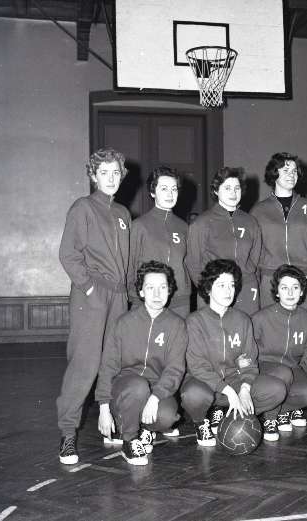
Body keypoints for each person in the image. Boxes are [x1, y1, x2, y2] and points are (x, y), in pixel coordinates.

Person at [57, 148, 130, 464]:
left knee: (112, 362)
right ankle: (67, 435)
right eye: (104, 173)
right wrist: (89, 288)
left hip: (119, 296)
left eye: (116, 172)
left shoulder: (123, 213)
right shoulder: (83, 208)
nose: (111, 178)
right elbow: (68, 254)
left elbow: (126, 262)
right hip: (91, 294)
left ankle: (108, 423)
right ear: (93, 176)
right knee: (85, 364)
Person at [181, 259, 287, 446]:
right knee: (193, 395)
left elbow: (249, 360)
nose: (228, 291)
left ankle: (230, 415)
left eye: (231, 285)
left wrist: (245, 388)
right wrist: (229, 392)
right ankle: (201, 421)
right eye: (221, 285)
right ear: (208, 289)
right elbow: (197, 367)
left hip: (234, 381)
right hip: (204, 383)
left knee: (277, 389)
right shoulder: (194, 321)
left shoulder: (242, 320)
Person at [95, 261, 188, 465]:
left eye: (162, 287)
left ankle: (144, 428)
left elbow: (175, 369)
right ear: (141, 291)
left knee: (167, 417)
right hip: (124, 389)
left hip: (155, 389)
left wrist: (155, 398)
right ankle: (129, 440)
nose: (157, 294)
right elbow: (107, 366)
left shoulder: (176, 325)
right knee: (137, 386)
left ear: (170, 290)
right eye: (150, 287)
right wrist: (103, 408)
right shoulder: (124, 323)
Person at [251, 152, 307, 315]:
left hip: (305, 279)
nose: (291, 175)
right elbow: (254, 254)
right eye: (286, 170)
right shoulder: (259, 211)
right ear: (274, 173)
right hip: (271, 280)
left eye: (294, 171)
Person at [252, 265, 307, 440]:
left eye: (295, 287)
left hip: (292, 367)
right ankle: (270, 419)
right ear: (277, 292)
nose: (290, 292)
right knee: (282, 372)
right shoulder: (260, 317)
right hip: (264, 367)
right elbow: (248, 350)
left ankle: (281, 411)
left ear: (302, 292)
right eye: (284, 287)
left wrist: (303, 370)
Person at [186, 167, 262, 315]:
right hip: (215, 290)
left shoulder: (251, 222)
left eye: (237, 188)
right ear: (216, 190)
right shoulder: (202, 223)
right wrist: (209, 287)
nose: (233, 193)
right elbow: (193, 263)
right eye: (227, 188)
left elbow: (256, 260)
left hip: (246, 291)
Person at [128, 166, 191, 318]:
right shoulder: (139, 226)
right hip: (148, 300)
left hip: (179, 301)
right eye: (164, 189)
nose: (170, 194)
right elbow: (130, 266)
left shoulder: (184, 227)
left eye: (174, 189)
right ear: (152, 192)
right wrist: (135, 297)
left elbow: (188, 263)